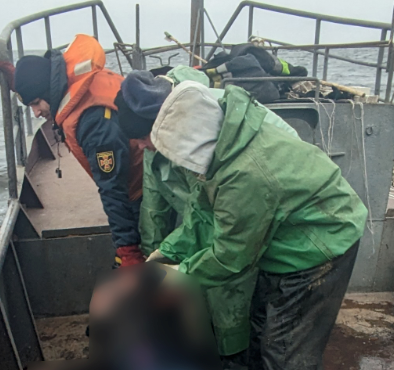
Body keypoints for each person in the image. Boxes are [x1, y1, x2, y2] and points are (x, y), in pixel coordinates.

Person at [144, 81, 368, 370]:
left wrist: (180, 276)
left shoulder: (244, 174)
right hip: (284, 237)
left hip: (322, 241)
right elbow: (203, 213)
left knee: (285, 351)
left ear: (194, 145)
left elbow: (231, 256)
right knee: (260, 330)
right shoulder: (226, 146)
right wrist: (167, 252)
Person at [113, 67, 299, 362]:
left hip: (270, 222)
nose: (139, 146)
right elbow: (156, 207)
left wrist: (178, 275)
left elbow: (226, 241)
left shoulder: (206, 133)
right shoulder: (158, 144)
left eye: (142, 137)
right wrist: (155, 258)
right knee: (209, 287)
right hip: (222, 223)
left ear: (162, 126)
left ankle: (235, 355)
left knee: (237, 301)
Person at [0, 34, 145, 267]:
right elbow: (48, 85)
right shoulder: (72, 83)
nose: (36, 113)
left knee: (146, 253)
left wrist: (127, 250)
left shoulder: (94, 122)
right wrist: (24, 81)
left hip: (142, 190)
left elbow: (113, 188)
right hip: (137, 172)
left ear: (47, 91)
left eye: (36, 103)